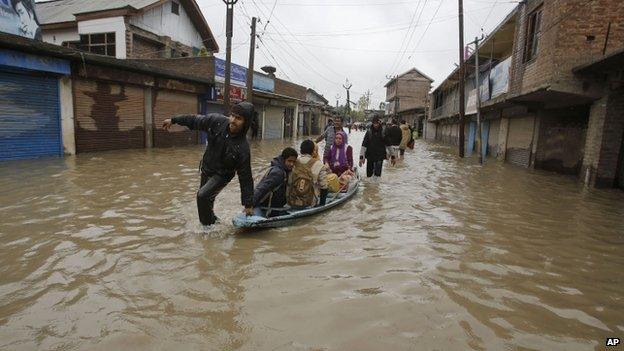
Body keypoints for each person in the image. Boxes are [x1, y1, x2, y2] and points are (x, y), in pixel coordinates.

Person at [162, 102, 254, 226]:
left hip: (222, 175)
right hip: (207, 168)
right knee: (206, 203)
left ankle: (206, 230)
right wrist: (174, 120)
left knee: (202, 196)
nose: (233, 120)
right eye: (232, 115)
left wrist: (248, 204)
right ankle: (215, 224)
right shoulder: (216, 121)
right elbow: (194, 120)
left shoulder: (242, 148)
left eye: (238, 118)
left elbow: (246, 176)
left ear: (246, 122)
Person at [253, 147, 298, 216]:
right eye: (289, 161)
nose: (292, 164)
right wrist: (250, 205)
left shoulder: (285, 170)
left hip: (275, 207)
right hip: (267, 207)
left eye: (294, 162)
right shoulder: (278, 173)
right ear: (283, 160)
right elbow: (262, 188)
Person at [287, 140, 329, 208]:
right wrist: (322, 205)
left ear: (300, 151)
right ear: (313, 152)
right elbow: (324, 187)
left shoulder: (293, 162)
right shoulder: (319, 165)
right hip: (311, 202)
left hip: (292, 200)